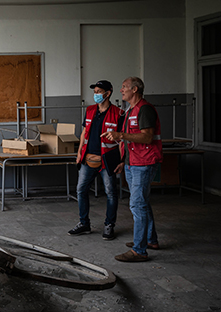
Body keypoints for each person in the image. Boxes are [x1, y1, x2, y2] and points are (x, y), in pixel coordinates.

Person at [102, 76, 162, 262]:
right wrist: (123, 161)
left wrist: (120, 134)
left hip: (143, 163)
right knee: (142, 202)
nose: (122, 90)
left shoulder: (144, 109)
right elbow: (129, 140)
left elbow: (147, 138)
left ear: (135, 89)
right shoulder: (130, 111)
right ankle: (150, 240)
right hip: (132, 162)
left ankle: (139, 250)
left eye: (124, 87)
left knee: (137, 205)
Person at [68, 80, 122, 240]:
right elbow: (84, 132)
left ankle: (109, 225)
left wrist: (121, 160)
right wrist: (79, 153)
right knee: (81, 190)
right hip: (88, 158)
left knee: (111, 193)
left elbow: (122, 139)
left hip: (108, 159)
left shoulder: (118, 113)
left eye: (99, 91)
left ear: (108, 93)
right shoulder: (90, 110)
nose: (96, 94)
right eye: (95, 91)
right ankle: (84, 223)